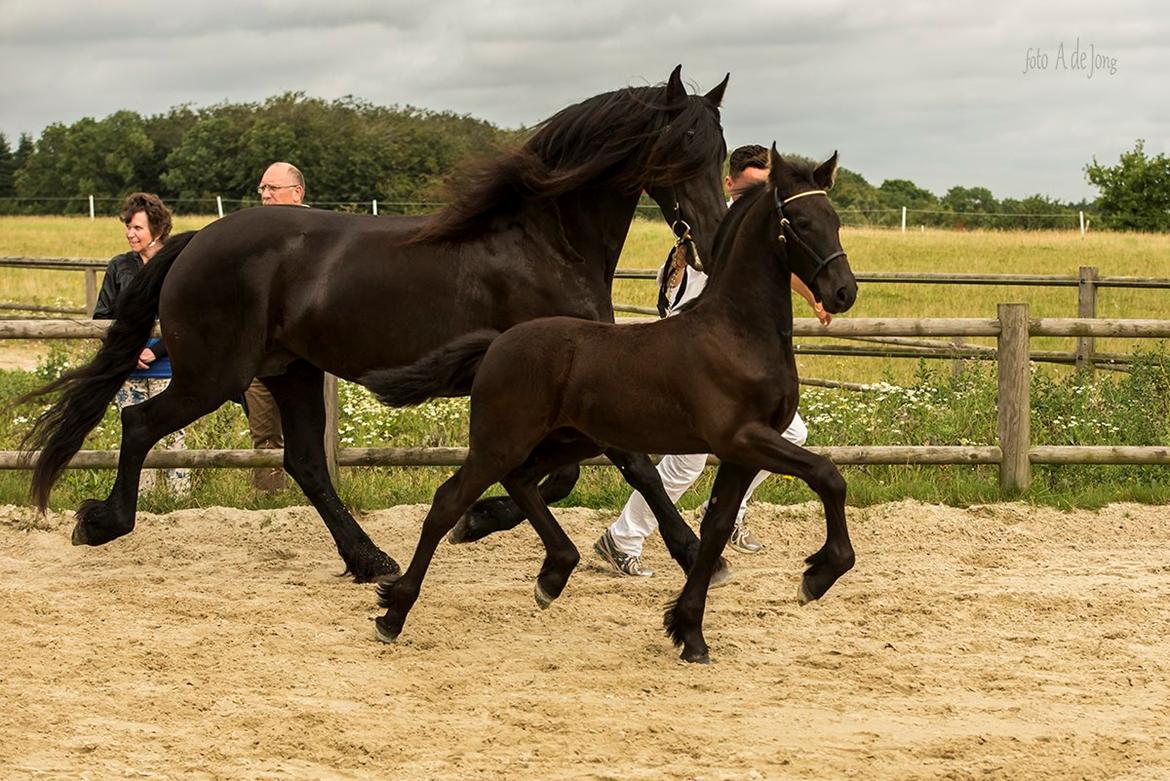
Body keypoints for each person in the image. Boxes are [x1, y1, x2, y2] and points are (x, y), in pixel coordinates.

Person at [594, 145, 833, 578]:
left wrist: (813, 296)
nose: (764, 195)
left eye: (769, 187)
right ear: (729, 182)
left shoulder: (762, 223)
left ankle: (729, 507)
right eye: (755, 186)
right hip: (691, 350)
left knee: (792, 432)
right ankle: (623, 538)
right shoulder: (717, 220)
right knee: (688, 460)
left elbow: (782, 267)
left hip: (723, 355)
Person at [94, 192, 190, 495]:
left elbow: (186, 316)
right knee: (133, 433)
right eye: (128, 226)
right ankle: (141, 498)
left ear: (157, 230)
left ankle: (179, 499)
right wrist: (131, 349)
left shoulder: (178, 265)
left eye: (137, 227)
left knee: (173, 433)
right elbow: (102, 315)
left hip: (168, 366)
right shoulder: (119, 267)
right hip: (130, 368)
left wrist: (157, 349)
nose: (129, 233)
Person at [246, 162, 309, 492]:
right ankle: (270, 495)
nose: (266, 195)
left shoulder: (317, 235)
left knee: (309, 430)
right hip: (263, 350)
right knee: (264, 430)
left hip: (309, 353)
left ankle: (312, 494)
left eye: (273, 188)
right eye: (262, 189)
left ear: (296, 193)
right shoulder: (253, 236)